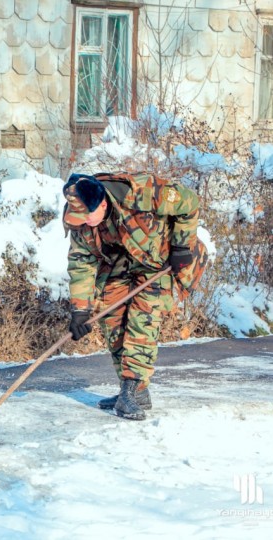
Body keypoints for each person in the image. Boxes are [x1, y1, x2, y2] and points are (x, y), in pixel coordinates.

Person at [62, 172, 207, 420]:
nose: (82, 222)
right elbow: (81, 263)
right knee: (113, 323)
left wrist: (182, 246)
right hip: (117, 265)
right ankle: (133, 391)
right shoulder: (80, 216)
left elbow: (189, 202)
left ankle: (131, 389)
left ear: (103, 204)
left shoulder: (142, 193)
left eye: (86, 216)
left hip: (158, 263)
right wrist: (80, 310)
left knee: (143, 322)